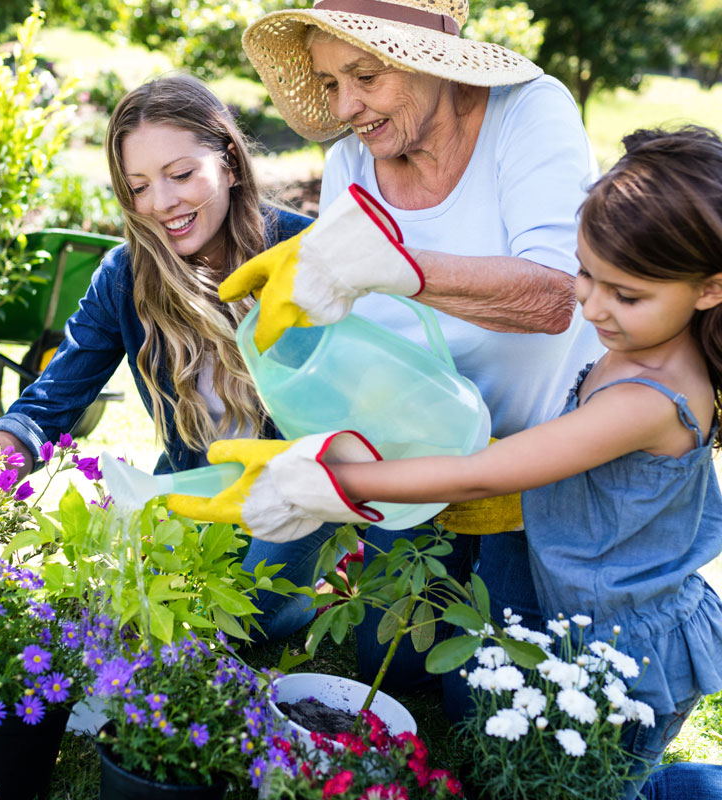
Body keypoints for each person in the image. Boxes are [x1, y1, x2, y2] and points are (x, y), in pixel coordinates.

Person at [166, 126, 722, 798]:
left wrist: (332, 482)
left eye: (625, 294)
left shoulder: (651, 399)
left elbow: (487, 472)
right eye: (584, 273)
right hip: (585, 613)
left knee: (591, 787)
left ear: (709, 289)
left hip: (633, 652)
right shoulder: (640, 341)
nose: (591, 304)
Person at [216, 0, 604, 695]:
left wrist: (400, 265)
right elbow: (369, 350)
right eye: (331, 83)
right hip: (421, 462)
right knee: (384, 669)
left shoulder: (528, 113)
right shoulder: (351, 166)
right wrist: (322, 445)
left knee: (483, 703)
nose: (348, 106)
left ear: (432, 59)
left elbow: (557, 298)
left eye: (365, 75)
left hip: (537, 469)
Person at [0, 73, 332, 639]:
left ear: (230, 164)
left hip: (292, 495)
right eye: (138, 186)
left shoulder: (304, 253)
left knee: (244, 623)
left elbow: (354, 412)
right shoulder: (125, 275)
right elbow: (50, 402)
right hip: (190, 490)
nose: (162, 204)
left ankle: (314, 584)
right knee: (131, 615)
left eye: (181, 175)